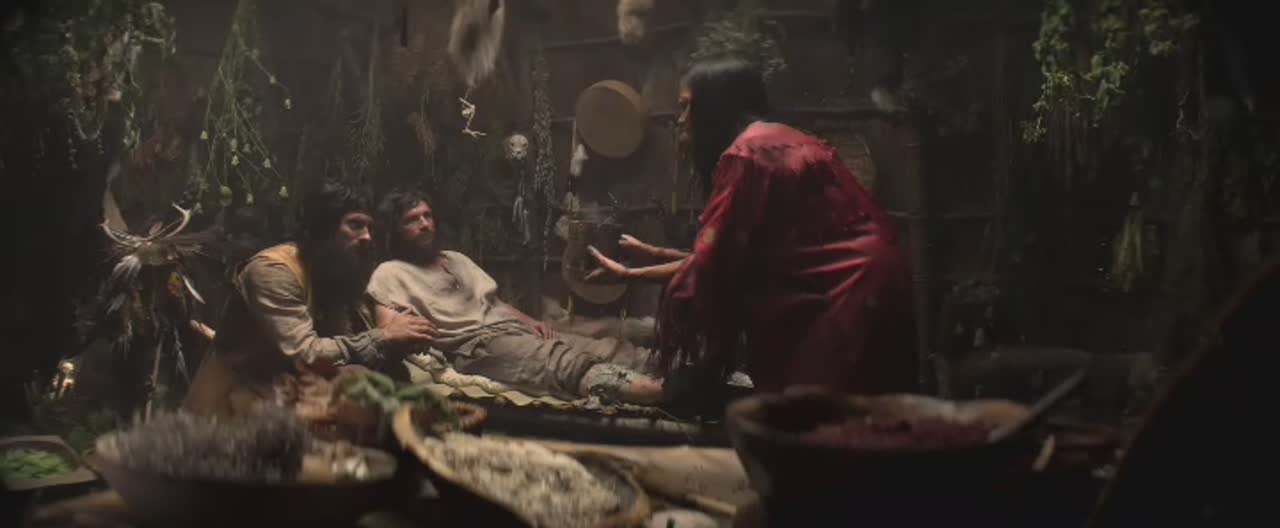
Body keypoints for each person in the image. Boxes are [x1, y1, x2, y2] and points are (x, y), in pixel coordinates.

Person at [587, 56, 919, 395]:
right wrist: (654, 253)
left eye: (687, 107)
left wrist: (629, 274)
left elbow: (712, 265)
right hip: (875, 278)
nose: (681, 119)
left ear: (715, 106)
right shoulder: (780, 139)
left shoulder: (746, 155)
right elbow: (742, 256)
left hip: (847, 290)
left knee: (818, 408)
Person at [365, 190, 663, 404]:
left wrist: (531, 321)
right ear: (396, 231)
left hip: (512, 327)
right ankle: (649, 391)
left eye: (427, 216)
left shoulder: (455, 258)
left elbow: (494, 302)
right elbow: (388, 328)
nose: (425, 224)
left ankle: (668, 370)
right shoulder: (391, 272)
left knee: (596, 346)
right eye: (412, 220)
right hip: (477, 344)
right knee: (559, 360)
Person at [185, 182, 437, 416]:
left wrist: (397, 343)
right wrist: (384, 337)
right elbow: (305, 353)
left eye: (370, 228)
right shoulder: (273, 270)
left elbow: (342, 347)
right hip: (234, 402)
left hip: (292, 391)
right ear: (323, 229)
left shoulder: (332, 270)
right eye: (355, 225)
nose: (367, 237)